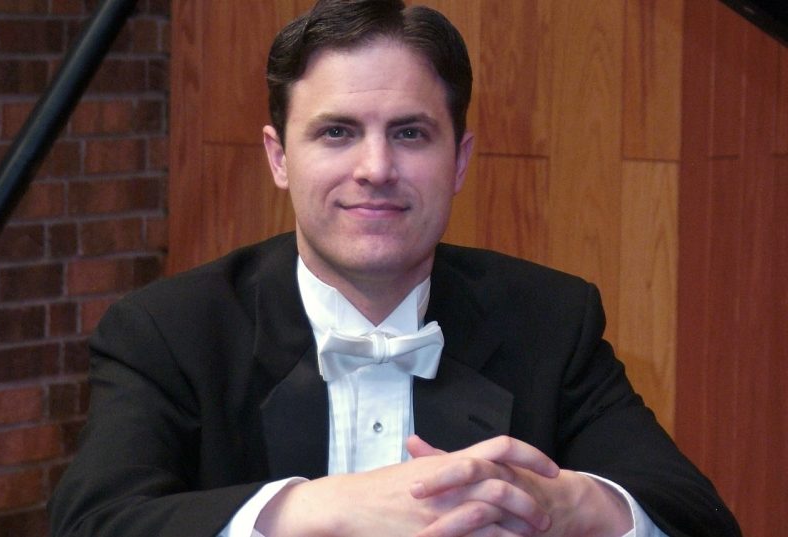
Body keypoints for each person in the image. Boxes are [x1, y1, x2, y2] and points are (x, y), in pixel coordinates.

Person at [49, 1, 741, 536]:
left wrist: (570, 504)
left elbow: (695, 516)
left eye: (410, 133)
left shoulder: (551, 318)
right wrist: (317, 508)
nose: (375, 169)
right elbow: (91, 521)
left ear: (460, 159)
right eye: (336, 131)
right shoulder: (169, 331)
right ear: (279, 157)